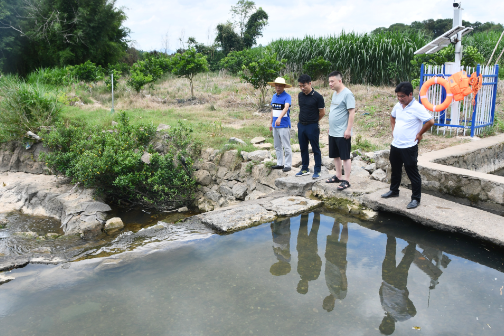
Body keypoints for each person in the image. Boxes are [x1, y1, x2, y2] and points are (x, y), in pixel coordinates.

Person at [381, 82, 434, 209]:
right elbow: (392, 117)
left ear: (410, 94)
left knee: (412, 172)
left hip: (409, 146)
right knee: (395, 169)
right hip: (396, 145)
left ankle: (416, 198)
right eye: (398, 96)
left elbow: (430, 121)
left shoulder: (417, 107)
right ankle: (394, 190)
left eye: (402, 96)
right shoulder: (398, 106)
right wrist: (393, 129)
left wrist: (420, 133)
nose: (400, 99)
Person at [379, 236, 417, 335]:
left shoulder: (385, 308)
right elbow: (413, 312)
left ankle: (391, 236)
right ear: (393, 326)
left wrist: (382, 285)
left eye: (383, 323)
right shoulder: (401, 317)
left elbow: (380, 294)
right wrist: (407, 299)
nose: (385, 322)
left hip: (386, 279)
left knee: (389, 256)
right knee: (406, 261)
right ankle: (412, 243)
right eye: (387, 325)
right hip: (398, 286)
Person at [324, 71, 355, 190]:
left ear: (339, 81)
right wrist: (330, 127)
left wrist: (348, 129)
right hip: (333, 131)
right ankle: (338, 175)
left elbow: (351, 112)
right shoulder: (335, 94)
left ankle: (346, 180)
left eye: (332, 81)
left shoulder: (348, 94)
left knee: (345, 156)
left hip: (343, 132)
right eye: (329, 82)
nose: (330, 84)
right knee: (335, 155)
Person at [296, 74, 325, 179]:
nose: (302, 88)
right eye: (300, 86)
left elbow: (322, 112)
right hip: (301, 125)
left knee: (315, 148)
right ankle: (304, 168)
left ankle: (317, 170)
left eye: (304, 85)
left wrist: (313, 121)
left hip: (312, 126)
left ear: (310, 83)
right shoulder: (300, 95)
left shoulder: (317, 97)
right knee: (303, 148)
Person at [322, 221, 348, 312]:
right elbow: (344, 286)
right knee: (342, 244)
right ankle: (345, 224)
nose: (325, 302)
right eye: (327, 304)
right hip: (339, 267)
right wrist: (342, 273)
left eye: (324, 303)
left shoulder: (330, 290)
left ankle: (336, 221)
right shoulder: (340, 296)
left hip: (329, 262)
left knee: (332, 240)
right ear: (332, 305)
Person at [268, 77, 293, 172]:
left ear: (284, 87)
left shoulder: (287, 96)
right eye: (276, 86)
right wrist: (271, 122)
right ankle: (280, 163)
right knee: (277, 145)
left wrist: (279, 118)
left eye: (280, 86)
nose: (278, 87)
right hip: (275, 125)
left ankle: (288, 164)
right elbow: (273, 109)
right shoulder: (274, 96)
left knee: (286, 145)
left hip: (283, 124)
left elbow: (286, 108)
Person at [296, 213, 322, 294]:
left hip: (301, 248)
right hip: (311, 249)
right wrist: (315, 254)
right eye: (304, 286)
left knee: (302, 228)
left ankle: (305, 212)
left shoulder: (299, 272)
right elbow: (319, 264)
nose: (302, 284)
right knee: (314, 230)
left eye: (300, 285)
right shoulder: (314, 276)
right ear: (307, 286)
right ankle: (317, 213)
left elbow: (300, 259)